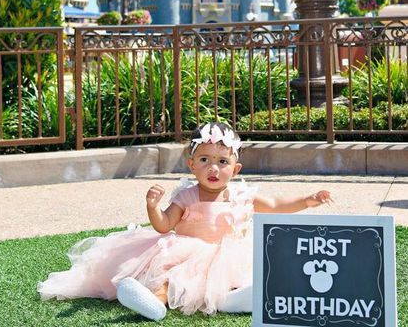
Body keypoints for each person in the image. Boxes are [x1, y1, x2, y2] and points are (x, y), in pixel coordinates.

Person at [38, 122, 332, 321]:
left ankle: (240, 297)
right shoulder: (187, 196)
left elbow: (277, 205)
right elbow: (164, 226)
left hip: (226, 257)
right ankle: (156, 302)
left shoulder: (242, 195)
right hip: (186, 252)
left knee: (237, 275)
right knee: (171, 273)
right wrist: (152, 207)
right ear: (191, 165)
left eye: (222, 161)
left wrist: (307, 199)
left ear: (236, 167)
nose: (213, 168)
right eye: (204, 160)